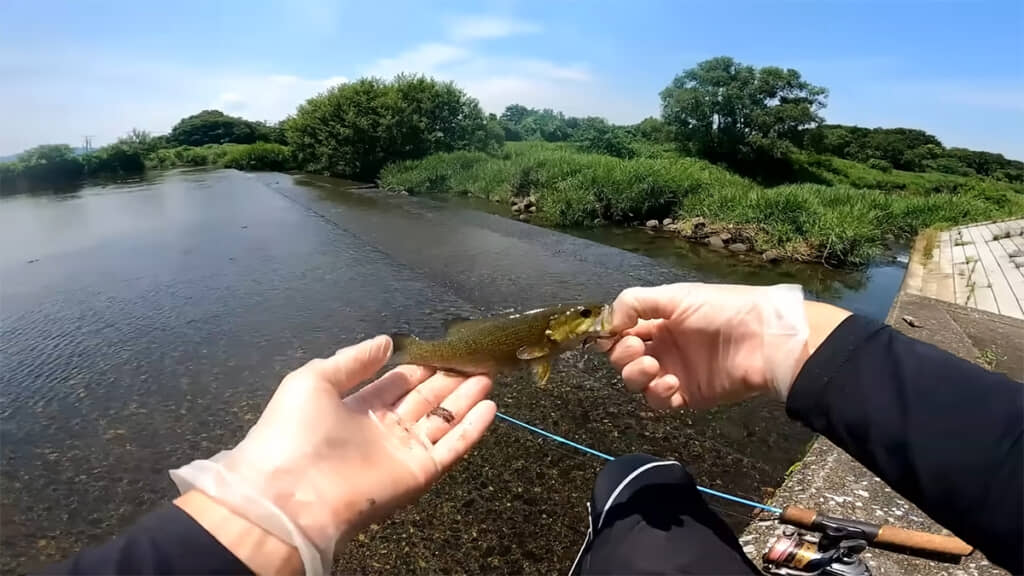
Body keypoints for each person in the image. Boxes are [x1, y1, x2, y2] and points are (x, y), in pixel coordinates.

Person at [41, 283, 1022, 576]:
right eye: (581, 323)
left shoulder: (549, 337)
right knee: (653, 487)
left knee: (643, 498)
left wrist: (268, 514)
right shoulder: (520, 342)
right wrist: (275, 506)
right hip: (456, 354)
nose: (593, 327)